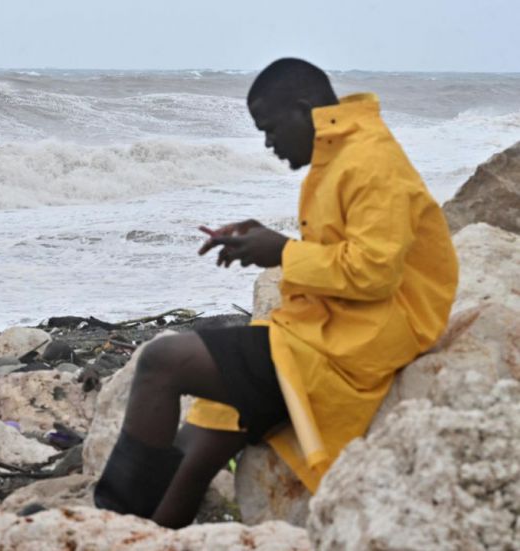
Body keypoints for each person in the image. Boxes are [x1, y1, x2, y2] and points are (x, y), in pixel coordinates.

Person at [93, 58, 458, 528]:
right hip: (323, 330)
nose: (268, 144)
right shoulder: (340, 155)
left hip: (353, 343)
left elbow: (374, 272)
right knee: (199, 445)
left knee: (163, 362)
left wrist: (282, 250)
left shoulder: (370, 162)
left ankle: (105, 524)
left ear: (304, 109)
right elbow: (345, 252)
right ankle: (149, 535)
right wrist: (263, 241)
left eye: (269, 129)